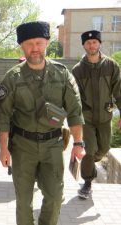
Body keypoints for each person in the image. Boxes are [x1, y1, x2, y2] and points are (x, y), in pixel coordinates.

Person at [0, 21, 86, 225]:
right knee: (24, 201)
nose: (34, 48)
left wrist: (78, 144)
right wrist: (3, 149)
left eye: (39, 42)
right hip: (22, 147)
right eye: (29, 44)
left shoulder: (62, 75)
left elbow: (74, 111)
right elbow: (3, 116)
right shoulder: (12, 78)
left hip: (52, 146)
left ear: (46, 43)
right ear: (21, 46)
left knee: (54, 198)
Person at [72, 30, 121, 199]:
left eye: (94, 42)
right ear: (84, 45)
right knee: (90, 150)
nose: (91, 45)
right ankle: (87, 182)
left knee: (104, 148)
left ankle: (89, 164)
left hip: (105, 116)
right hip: (86, 118)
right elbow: (74, 97)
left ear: (99, 43)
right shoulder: (78, 70)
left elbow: (119, 92)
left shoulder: (111, 66)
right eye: (88, 43)